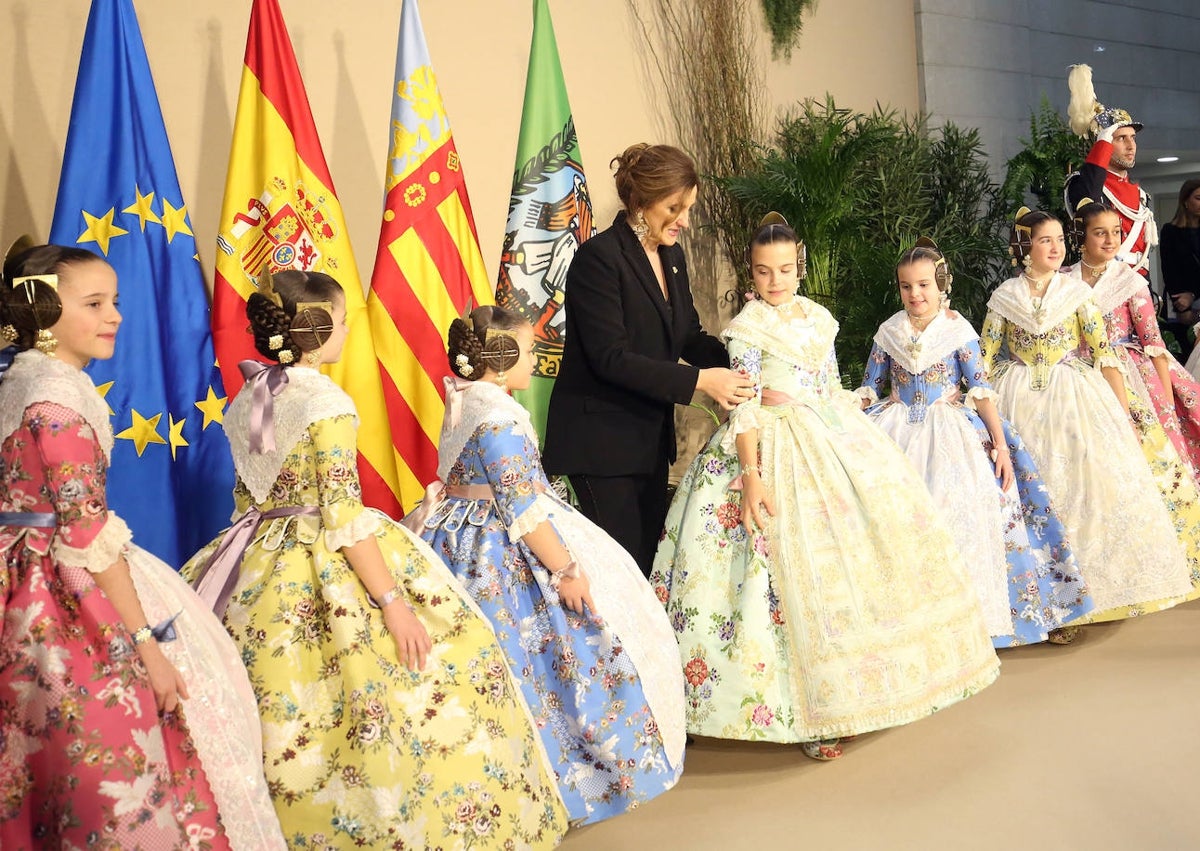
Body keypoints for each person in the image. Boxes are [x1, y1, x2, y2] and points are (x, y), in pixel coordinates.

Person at [180, 272, 567, 848]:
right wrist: (391, 602)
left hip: (256, 550)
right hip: (325, 553)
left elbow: (248, 498)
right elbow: (341, 514)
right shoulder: (326, 402)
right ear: (316, 330)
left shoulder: (250, 397)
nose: (345, 330)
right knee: (426, 672)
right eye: (340, 321)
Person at [650, 216, 999, 762]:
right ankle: (804, 713)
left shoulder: (819, 319)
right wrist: (751, 477)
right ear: (752, 272)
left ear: (800, 267)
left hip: (827, 436)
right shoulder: (745, 328)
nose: (775, 281)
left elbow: (831, 386)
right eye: (764, 272)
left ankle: (857, 694)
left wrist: (855, 433)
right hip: (767, 442)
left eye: (786, 270)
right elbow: (743, 404)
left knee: (856, 558)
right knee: (775, 575)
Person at [0, 241, 284, 850]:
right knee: (120, 746)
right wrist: (147, 644)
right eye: (95, 303)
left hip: (18, 573)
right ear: (44, 310)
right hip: (60, 593)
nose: (116, 317)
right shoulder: (57, 403)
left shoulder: (20, 384)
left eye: (116, 302)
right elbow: (84, 534)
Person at [407, 305, 685, 824]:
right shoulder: (499, 416)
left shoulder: (464, 402)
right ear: (503, 356)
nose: (536, 358)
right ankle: (568, 775)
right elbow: (522, 508)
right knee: (551, 657)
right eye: (530, 349)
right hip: (498, 546)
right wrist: (564, 570)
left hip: (452, 530)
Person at [859, 239, 1092, 646]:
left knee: (963, 514)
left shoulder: (957, 330)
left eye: (924, 285)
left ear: (940, 284)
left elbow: (981, 389)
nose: (915, 294)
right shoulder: (889, 331)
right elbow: (870, 386)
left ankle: (970, 622)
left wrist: (1001, 447)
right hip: (894, 432)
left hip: (951, 433)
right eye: (906, 286)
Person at [543, 143, 754, 576]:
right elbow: (611, 358)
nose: (684, 220)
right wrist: (700, 382)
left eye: (689, 208)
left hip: (647, 444)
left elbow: (687, 335)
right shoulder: (598, 259)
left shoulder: (672, 256)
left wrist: (745, 355)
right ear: (640, 202)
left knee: (649, 570)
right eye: (674, 207)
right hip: (600, 447)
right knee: (622, 575)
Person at [980, 210, 1196, 623]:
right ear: (1026, 247)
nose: (1057, 247)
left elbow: (1105, 354)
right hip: (1016, 398)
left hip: (1073, 396)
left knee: (1083, 491)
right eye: (1046, 240)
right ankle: (1037, 599)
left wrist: (1121, 413)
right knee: (1029, 494)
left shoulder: (1076, 294)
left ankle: (1088, 595)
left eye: (1060, 239)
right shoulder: (1004, 297)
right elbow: (984, 361)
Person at [1067, 200, 1200, 479]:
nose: (1111, 240)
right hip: (1077, 374)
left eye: (1116, 232)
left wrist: (1165, 406)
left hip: (1129, 375)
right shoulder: (1063, 281)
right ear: (1081, 235)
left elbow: (1154, 344)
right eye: (1100, 232)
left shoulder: (1130, 281)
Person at [1064, 64, 1156, 279]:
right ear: (1102, 144)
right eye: (1120, 138)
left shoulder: (1138, 193)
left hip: (1139, 281)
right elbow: (1089, 201)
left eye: (1132, 138)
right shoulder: (1082, 183)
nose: (1131, 145)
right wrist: (1102, 144)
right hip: (1105, 281)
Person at [1160, 178, 1200, 359]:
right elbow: (1169, 270)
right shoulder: (1170, 230)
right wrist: (1182, 306)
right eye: (1198, 198)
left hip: (1195, 296)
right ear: (1185, 200)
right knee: (1184, 355)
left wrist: (1193, 295)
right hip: (1179, 303)